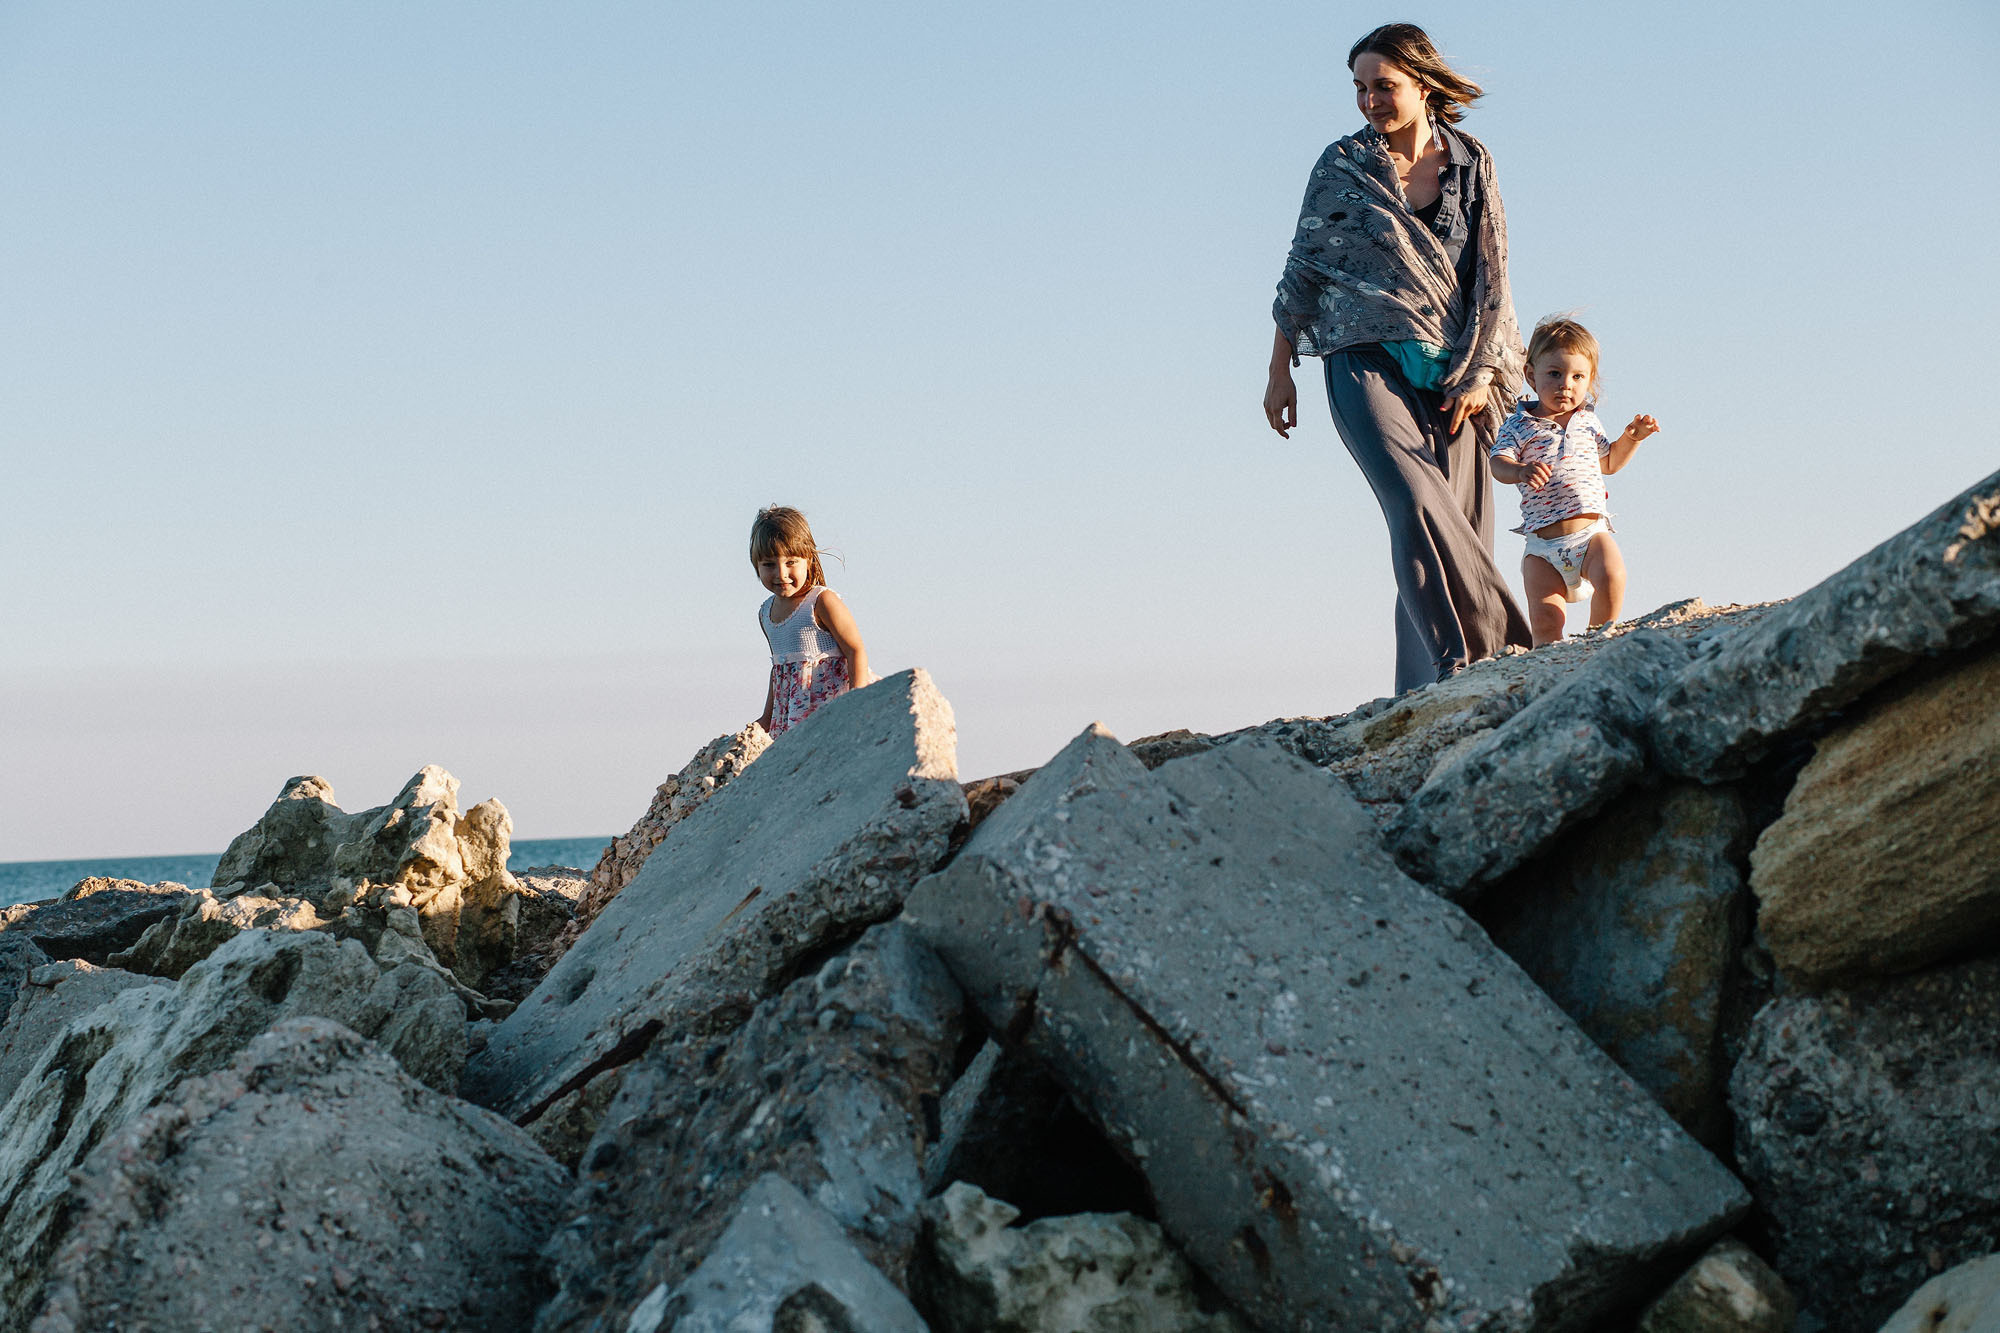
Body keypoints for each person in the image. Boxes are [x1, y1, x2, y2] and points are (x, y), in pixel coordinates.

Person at [1265, 22, 1531, 693]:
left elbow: (1492, 273)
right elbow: (1304, 269)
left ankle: (1427, 691)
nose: (1370, 100)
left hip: (1458, 369)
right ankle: (1485, 650)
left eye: (1384, 86)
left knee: (1459, 527)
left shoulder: (1472, 162)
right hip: (1361, 358)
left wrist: (1481, 371)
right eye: (1359, 88)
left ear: (1423, 85)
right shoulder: (1342, 166)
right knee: (1414, 501)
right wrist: (1278, 368)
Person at [1490, 317, 1660, 645]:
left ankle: (1598, 643)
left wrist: (1633, 438)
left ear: (1588, 381)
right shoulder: (1518, 426)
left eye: (1577, 376)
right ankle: (1548, 664)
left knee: (1613, 575)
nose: (1565, 384)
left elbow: (1608, 462)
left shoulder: (1587, 422)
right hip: (1543, 549)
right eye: (1554, 374)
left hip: (1590, 536)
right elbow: (1498, 463)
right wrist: (1519, 471)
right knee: (1545, 622)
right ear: (1531, 375)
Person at [750, 506, 871, 737]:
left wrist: (858, 701)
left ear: (808, 560)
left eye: (791, 562)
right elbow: (779, 670)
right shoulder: (765, 613)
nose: (781, 573)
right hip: (791, 717)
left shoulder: (822, 601)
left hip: (831, 710)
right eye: (768, 564)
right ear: (756, 566)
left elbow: (855, 650)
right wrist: (767, 718)